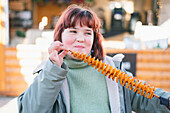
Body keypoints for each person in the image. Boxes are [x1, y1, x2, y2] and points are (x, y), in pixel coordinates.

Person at [17, 4, 170, 113]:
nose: (80, 39)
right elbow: (30, 109)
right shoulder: (48, 71)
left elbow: (144, 96)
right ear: (59, 36)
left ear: (94, 39)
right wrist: (53, 70)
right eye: (73, 31)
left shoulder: (113, 69)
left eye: (87, 33)